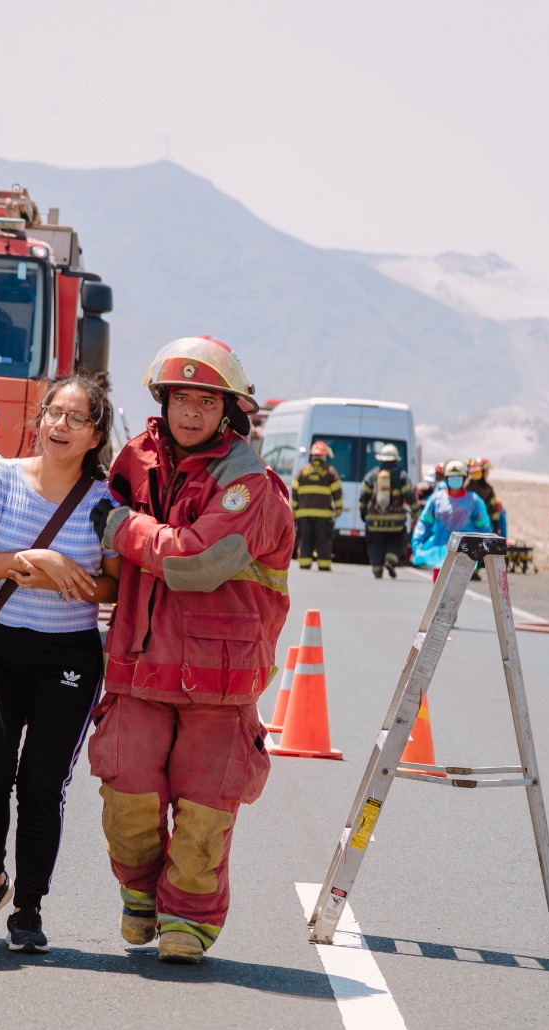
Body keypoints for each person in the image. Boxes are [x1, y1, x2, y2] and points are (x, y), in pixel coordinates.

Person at [89, 335, 293, 965]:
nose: (191, 412)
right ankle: (142, 894)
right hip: (137, 667)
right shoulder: (134, 459)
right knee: (126, 796)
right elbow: (88, 524)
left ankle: (189, 919)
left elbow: (198, 559)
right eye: (181, 398)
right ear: (164, 401)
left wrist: (124, 529)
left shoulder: (249, 485)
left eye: (206, 400)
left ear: (228, 409)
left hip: (220, 679)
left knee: (204, 813)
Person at [0, 376, 121, 954]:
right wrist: (42, 560)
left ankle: (28, 907)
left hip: (66, 657)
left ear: (96, 433)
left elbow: (110, 586)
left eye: (77, 419)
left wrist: (49, 573)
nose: (60, 426)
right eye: (54, 413)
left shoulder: (106, 504)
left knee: (42, 785)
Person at [411, 459, 493, 578]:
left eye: (458, 476)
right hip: (439, 550)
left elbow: (484, 527)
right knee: (439, 584)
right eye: (452, 476)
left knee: (457, 585)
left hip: (464, 551)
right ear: (446, 478)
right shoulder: (436, 499)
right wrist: (417, 542)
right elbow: (424, 523)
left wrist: (485, 549)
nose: (455, 479)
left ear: (464, 478)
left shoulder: (474, 501)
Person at [359, 444, 415, 579]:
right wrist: (416, 511)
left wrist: (363, 512)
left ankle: (377, 569)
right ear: (396, 459)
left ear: (381, 459)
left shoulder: (372, 475)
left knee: (375, 544)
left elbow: (363, 496)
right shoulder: (402, 475)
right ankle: (390, 560)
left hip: (374, 521)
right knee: (396, 541)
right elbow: (409, 496)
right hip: (396, 521)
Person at [290, 441, 342, 570]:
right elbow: (337, 492)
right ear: (324, 456)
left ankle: (305, 563)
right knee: (323, 540)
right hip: (324, 515)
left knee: (305, 539)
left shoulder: (302, 471)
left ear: (312, 455)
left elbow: (294, 490)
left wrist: (295, 509)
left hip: (304, 514)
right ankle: (324, 565)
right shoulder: (330, 471)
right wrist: (338, 509)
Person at [468, 457, 505, 537]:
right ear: (479, 472)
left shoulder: (487, 488)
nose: (488, 474)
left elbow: (494, 508)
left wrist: (496, 525)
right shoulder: (469, 488)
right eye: (486, 471)